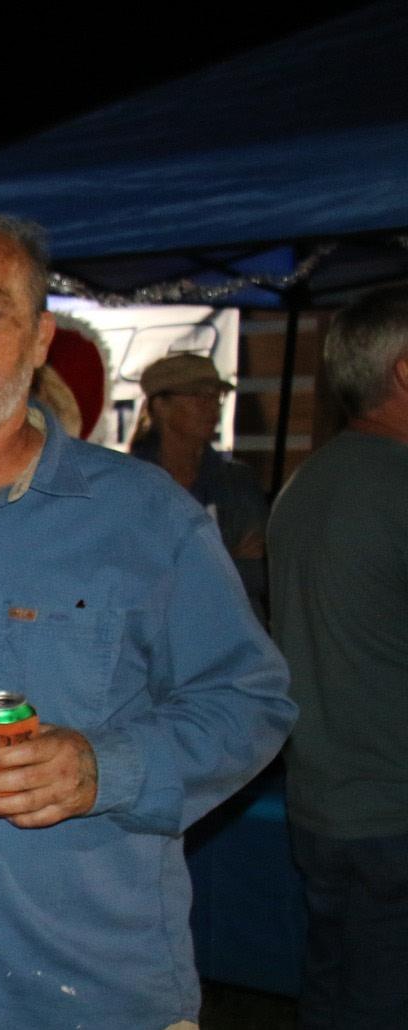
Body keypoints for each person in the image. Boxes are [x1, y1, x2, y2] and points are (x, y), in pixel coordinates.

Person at [0, 211, 293, 1028]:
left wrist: (104, 766)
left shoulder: (144, 515)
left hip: (90, 993)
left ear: (40, 337)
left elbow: (251, 701)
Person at [268, 284, 408, 1028]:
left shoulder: (305, 484)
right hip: (392, 807)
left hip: (325, 803)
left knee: (336, 995)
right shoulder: (395, 485)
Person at [130, 353, 269, 618]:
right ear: (161, 406)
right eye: (198, 395)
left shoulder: (238, 483)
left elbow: (259, 574)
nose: (212, 406)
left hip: (230, 634)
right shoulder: (129, 485)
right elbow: (130, 580)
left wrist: (174, 572)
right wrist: (228, 562)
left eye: (216, 396)